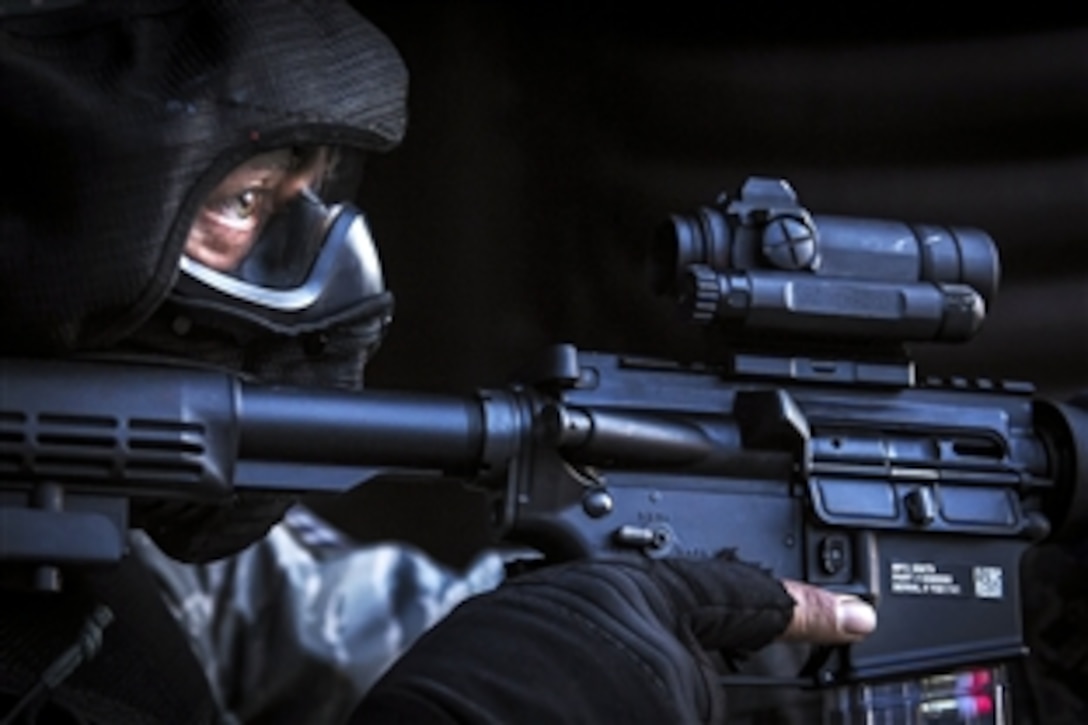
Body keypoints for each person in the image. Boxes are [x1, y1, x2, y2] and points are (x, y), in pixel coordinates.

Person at [0, 1, 879, 723]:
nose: (329, 264)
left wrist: (730, 632)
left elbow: (326, 620)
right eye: (245, 199)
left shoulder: (109, 522)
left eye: (314, 192)